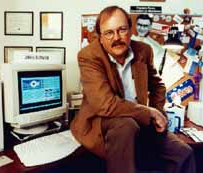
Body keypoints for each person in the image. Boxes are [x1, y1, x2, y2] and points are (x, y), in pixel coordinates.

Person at [70, 6, 196, 173]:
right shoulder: (88, 56)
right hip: (102, 123)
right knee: (126, 125)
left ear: (130, 30)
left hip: (140, 121)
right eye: (108, 33)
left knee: (184, 153)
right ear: (100, 37)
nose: (116, 38)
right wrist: (150, 112)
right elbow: (104, 104)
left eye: (122, 30)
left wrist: (158, 112)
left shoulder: (144, 51)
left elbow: (157, 85)